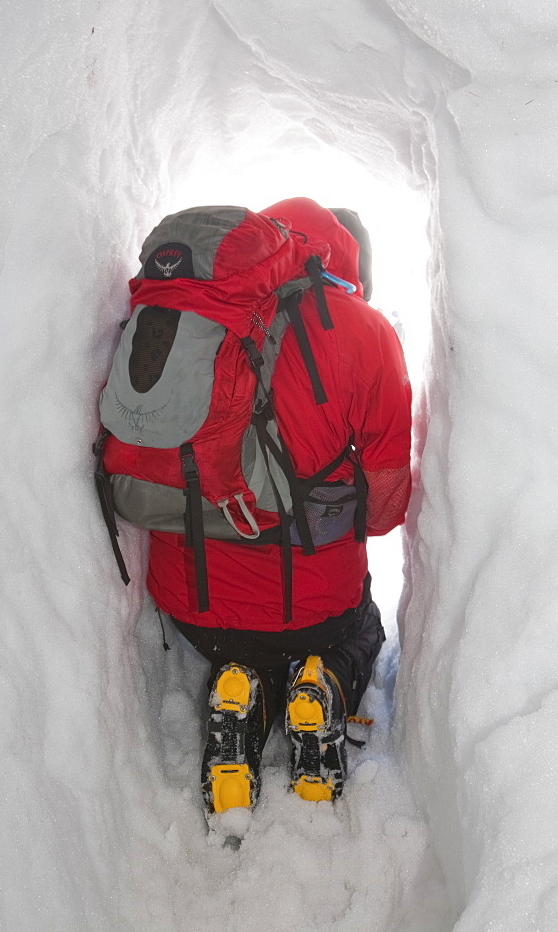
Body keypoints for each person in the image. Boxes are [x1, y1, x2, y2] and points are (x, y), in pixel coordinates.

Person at [143, 197, 412, 812]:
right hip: (320, 607)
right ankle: (324, 684)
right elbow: (384, 509)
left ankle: (242, 691)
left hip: (194, 605)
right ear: (353, 263)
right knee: (361, 627)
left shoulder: (201, 314)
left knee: (245, 645)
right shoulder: (368, 332)